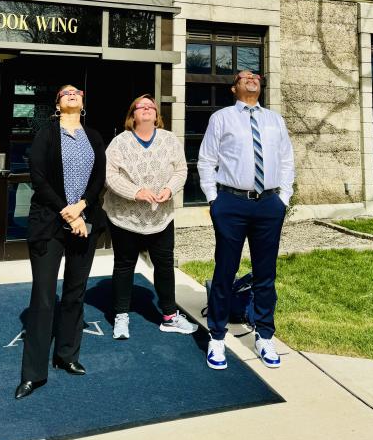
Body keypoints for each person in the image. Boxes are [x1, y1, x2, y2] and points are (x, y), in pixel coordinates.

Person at [197, 70, 294, 370]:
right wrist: (214, 200)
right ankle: (216, 336)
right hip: (231, 204)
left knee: (266, 273)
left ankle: (264, 335)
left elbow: (287, 159)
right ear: (234, 88)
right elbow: (206, 160)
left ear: (261, 86)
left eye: (255, 76)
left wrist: (284, 197)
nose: (251, 78)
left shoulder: (275, 120)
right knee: (225, 270)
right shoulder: (222, 118)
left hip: (269, 205)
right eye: (243, 76)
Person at [15, 85, 106, 400]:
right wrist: (68, 212)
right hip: (49, 224)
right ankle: (33, 374)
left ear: (82, 102)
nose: (73, 93)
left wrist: (81, 207)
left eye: (78, 92)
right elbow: (37, 177)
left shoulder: (93, 136)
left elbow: (98, 179)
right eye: (65, 92)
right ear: (57, 104)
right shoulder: (46, 135)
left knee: (74, 292)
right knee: (42, 296)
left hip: (85, 221)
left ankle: (67, 354)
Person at [104, 94, 197, 339]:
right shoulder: (119, 142)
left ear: (157, 115)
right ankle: (121, 316)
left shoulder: (169, 140)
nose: (146, 109)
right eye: (140, 107)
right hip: (125, 216)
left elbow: (181, 170)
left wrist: (170, 188)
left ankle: (169, 315)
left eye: (151, 107)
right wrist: (135, 192)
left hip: (161, 216)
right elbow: (110, 175)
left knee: (164, 265)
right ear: (132, 115)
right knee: (124, 266)